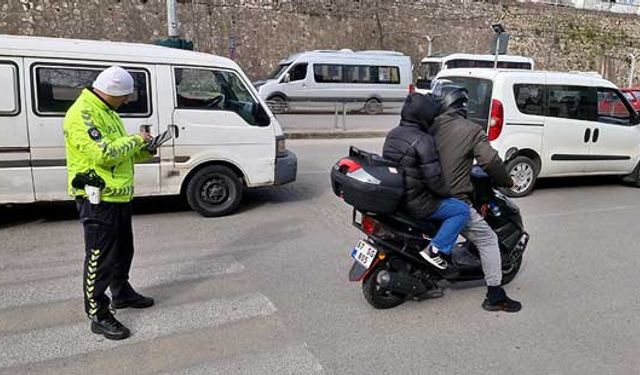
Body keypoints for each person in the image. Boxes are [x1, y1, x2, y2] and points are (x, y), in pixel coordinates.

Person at [64, 66, 155, 340]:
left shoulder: (108, 112)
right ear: (112, 92)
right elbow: (104, 154)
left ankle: (121, 292)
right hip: (97, 198)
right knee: (99, 258)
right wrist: (136, 139)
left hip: (118, 195)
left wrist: (144, 150)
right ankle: (97, 314)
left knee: (123, 250)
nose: (126, 101)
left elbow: (120, 155)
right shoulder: (82, 114)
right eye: (124, 96)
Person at [429, 82, 522, 313]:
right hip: (453, 201)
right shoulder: (471, 130)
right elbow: (490, 161)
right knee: (488, 239)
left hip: (423, 196)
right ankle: (495, 295)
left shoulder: (428, 125)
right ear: (461, 105)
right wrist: (507, 181)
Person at [383, 93, 470, 270]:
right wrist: (449, 194)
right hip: (418, 203)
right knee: (461, 210)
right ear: (424, 116)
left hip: (398, 199)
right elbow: (434, 180)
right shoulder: (424, 140)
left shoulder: (393, 134)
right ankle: (436, 249)